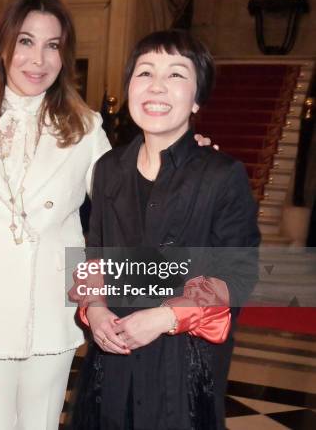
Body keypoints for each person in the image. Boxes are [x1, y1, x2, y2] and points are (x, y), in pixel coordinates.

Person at [0, 0, 212, 430]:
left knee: (41, 423)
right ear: (3, 48)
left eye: (53, 46)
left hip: (51, 310)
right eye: (26, 42)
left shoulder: (85, 127)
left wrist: (184, 155)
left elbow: (130, 195)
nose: (38, 59)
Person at [69, 30, 260, 430]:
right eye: (144, 73)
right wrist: (98, 308)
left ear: (196, 99)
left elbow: (239, 275)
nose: (156, 86)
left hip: (183, 369)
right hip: (112, 360)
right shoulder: (108, 170)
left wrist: (163, 317)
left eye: (175, 74)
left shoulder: (222, 175)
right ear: (128, 88)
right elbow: (95, 254)